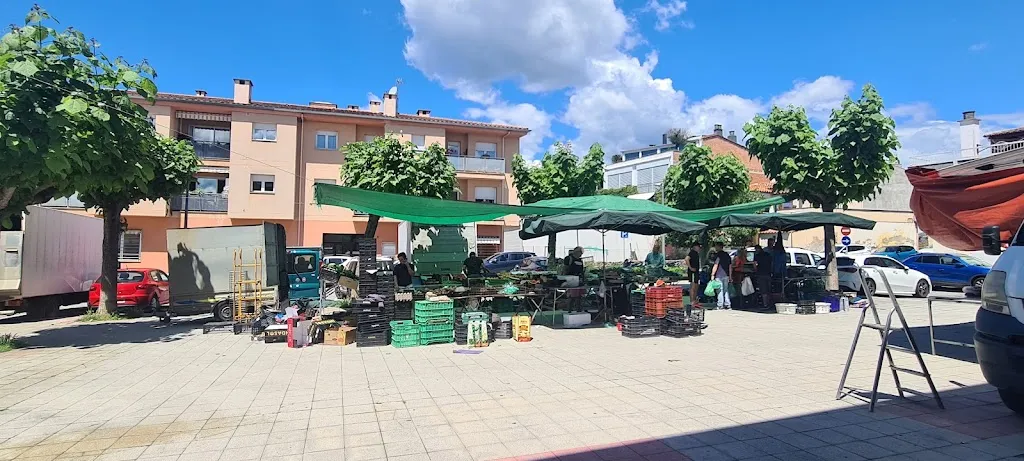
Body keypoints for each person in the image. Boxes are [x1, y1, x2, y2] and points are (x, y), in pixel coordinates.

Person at [710, 242, 732, 309]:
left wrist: (712, 274)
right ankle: (728, 304)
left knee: (719, 290)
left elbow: (716, 265)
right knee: (726, 290)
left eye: (716, 246)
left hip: (719, 275)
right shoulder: (727, 255)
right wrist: (730, 276)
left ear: (719, 247)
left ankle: (720, 305)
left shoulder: (718, 255)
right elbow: (730, 266)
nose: (715, 248)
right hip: (726, 275)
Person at [753, 245, 774, 309]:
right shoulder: (768, 255)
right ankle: (770, 303)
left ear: (757, 249)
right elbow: (772, 263)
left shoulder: (757, 256)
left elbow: (755, 265)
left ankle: (765, 305)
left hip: (761, 274)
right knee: (769, 290)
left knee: (763, 290)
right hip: (768, 274)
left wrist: (755, 271)